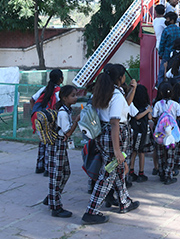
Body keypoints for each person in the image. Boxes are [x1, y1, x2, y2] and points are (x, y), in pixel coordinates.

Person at [82, 64, 139, 225]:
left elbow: (124, 106)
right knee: (107, 174)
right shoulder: (116, 95)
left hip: (104, 135)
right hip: (114, 137)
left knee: (117, 169)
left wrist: (132, 90)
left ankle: (124, 202)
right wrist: (117, 150)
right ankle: (91, 211)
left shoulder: (105, 92)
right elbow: (115, 122)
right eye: (124, 76)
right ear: (120, 78)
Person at [44, 85, 80, 217]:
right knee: (57, 174)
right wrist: (76, 122)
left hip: (60, 144)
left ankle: (52, 196)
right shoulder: (63, 113)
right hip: (57, 144)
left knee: (65, 172)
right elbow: (67, 132)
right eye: (72, 95)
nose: (76, 98)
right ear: (64, 98)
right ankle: (56, 207)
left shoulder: (66, 109)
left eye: (76, 95)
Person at [31, 69, 63, 176]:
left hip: (40, 119)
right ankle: (48, 169)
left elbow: (32, 99)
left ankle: (39, 166)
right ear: (61, 79)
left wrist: (35, 113)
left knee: (42, 142)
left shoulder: (44, 89)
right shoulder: (59, 92)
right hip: (51, 120)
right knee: (51, 143)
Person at [152, 82, 180, 185]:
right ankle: (168, 176)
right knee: (170, 155)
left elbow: (154, 117)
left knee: (160, 153)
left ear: (161, 93)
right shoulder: (175, 104)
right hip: (171, 134)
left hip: (160, 134)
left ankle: (161, 173)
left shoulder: (157, 104)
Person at [127, 85, 152, 183]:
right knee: (141, 152)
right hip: (142, 131)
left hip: (135, 131)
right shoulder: (145, 107)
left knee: (134, 151)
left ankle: (132, 171)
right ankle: (140, 172)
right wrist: (148, 111)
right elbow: (140, 117)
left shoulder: (132, 104)